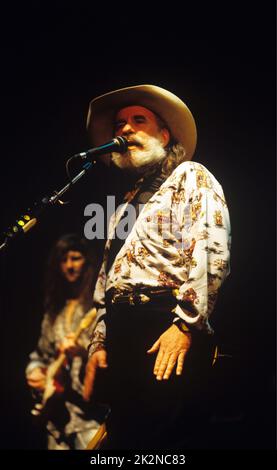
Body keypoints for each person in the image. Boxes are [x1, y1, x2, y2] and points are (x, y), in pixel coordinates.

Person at [83, 85, 231, 449]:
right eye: (120, 123)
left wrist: (186, 324)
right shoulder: (122, 207)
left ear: (165, 134)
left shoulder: (189, 175)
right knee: (124, 439)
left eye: (139, 120)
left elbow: (211, 248)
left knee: (160, 439)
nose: (125, 129)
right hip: (123, 336)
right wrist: (99, 342)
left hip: (164, 324)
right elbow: (108, 278)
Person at [26, 234, 105, 450]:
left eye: (76, 258)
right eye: (64, 260)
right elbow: (40, 355)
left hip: (91, 420)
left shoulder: (99, 310)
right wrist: (36, 372)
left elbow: (111, 358)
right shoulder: (54, 312)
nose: (69, 266)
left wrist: (81, 352)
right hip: (57, 423)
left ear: (88, 262)